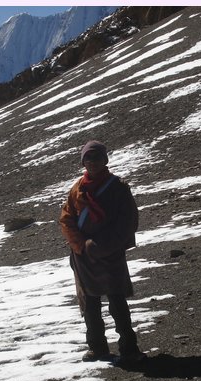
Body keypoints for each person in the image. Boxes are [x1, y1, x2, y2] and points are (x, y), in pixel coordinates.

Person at [59, 140, 146, 364]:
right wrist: (80, 245)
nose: (93, 162)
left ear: (105, 160)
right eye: (89, 158)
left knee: (117, 302)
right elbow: (67, 218)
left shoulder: (117, 186)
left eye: (97, 158)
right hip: (84, 258)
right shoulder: (77, 188)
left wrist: (103, 246)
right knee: (91, 305)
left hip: (110, 255)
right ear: (83, 162)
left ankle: (129, 349)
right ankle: (97, 348)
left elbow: (127, 222)